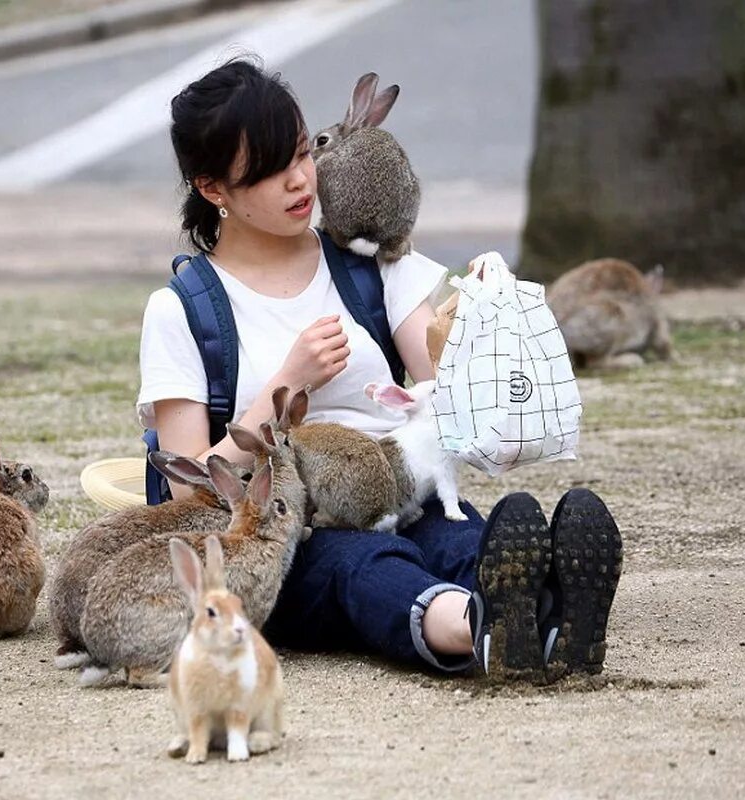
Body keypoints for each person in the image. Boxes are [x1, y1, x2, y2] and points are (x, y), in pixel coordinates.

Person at [137, 58, 622, 679]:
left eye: (300, 154)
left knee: (465, 543)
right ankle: (489, 631)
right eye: (269, 172)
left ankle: (555, 627)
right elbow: (187, 488)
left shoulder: (369, 262)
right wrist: (287, 384)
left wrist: (477, 323)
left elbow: (446, 384)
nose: (300, 181)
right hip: (293, 530)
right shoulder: (184, 309)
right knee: (365, 568)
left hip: (403, 491)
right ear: (213, 190)